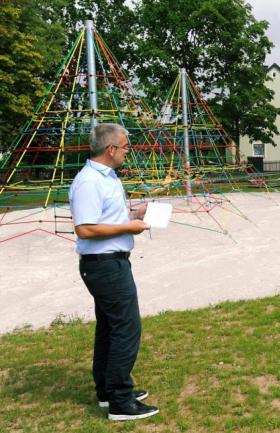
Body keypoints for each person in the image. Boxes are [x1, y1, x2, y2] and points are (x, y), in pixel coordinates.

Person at [69, 123, 159, 421]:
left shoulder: (107, 178)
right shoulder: (89, 181)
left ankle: (108, 392)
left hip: (112, 262)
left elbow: (105, 218)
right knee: (126, 329)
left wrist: (134, 214)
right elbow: (85, 229)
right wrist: (129, 227)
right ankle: (121, 401)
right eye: (125, 148)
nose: (127, 153)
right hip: (104, 265)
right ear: (110, 149)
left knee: (109, 328)